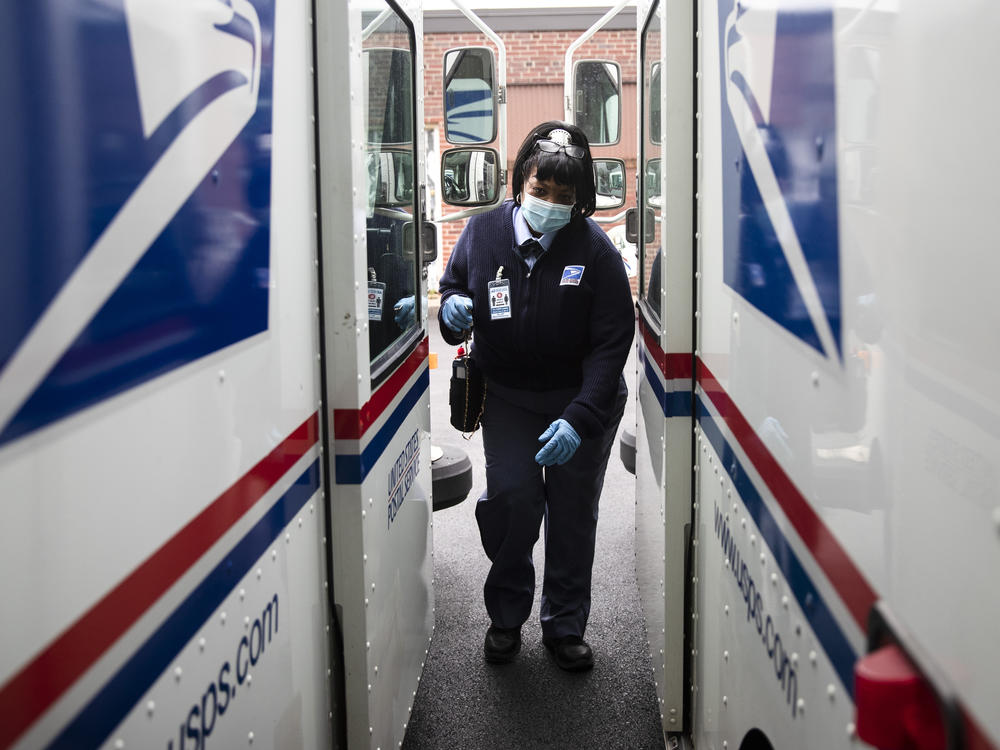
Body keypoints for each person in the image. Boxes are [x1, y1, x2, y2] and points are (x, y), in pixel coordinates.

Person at [437, 121, 634, 671]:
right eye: (540, 190)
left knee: (572, 513)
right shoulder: (482, 234)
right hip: (508, 396)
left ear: (579, 200)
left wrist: (581, 416)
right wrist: (451, 310)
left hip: (579, 401)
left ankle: (564, 625)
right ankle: (505, 617)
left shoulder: (594, 251)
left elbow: (613, 340)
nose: (549, 203)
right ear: (520, 181)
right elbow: (454, 287)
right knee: (514, 500)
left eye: (564, 197)